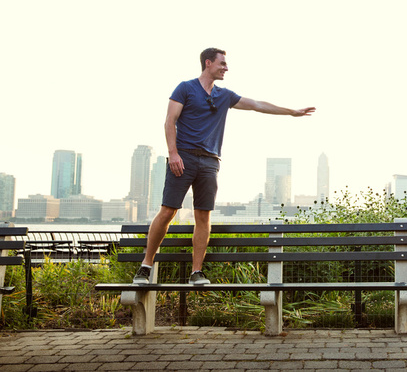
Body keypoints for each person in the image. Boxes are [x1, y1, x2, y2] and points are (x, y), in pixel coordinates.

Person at [133, 48, 315, 285]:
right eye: (222, 63)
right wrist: (173, 153)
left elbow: (256, 104)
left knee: (203, 215)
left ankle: (196, 272)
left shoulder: (224, 96)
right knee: (168, 211)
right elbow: (170, 121)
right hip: (183, 158)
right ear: (208, 63)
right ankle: (146, 266)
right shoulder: (185, 88)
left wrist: (291, 112)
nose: (226, 68)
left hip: (210, 162)